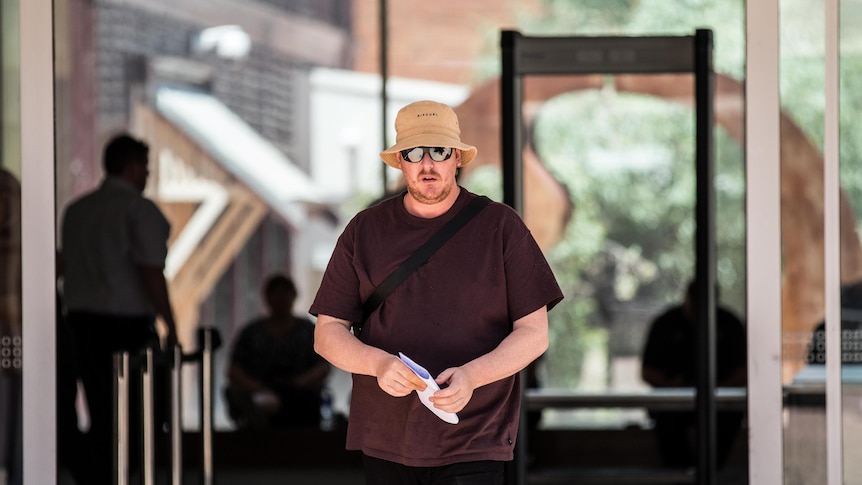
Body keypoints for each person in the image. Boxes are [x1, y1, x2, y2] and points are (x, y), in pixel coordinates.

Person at [310, 99, 564, 485]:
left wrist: (472, 377)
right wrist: (377, 365)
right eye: (414, 153)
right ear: (400, 162)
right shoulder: (364, 230)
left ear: (457, 158)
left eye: (439, 151)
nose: (427, 164)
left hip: (475, 432)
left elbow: (534, 333)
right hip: (386, 434)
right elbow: (327, 333)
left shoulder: (502, 227)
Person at [60, 133, 178, 485]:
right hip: (125, 328)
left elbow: (65, 263)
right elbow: (150, 271)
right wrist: (171, 325)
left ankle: (100, 477)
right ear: (132, 167)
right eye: (146, 167)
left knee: (100, 413)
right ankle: (124, 478)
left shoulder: (76, 210)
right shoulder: (138, 210)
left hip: (79, 324)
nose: (148, 175)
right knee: (139, 418)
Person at [640, 280, 747, 469]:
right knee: (666, 420)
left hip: (720, 402)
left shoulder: (729, 323)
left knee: (731, 417)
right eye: (696, 305)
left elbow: (747, 371)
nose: (699, 312)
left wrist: (719, 386)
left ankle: (712, 472)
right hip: (673, 401)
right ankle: (681, 474)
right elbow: (647, 372)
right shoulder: (666, 322)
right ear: (687, 299)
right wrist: (671, 386)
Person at [225, 273, 330, 429]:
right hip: (259, 391)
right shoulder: (252, 332)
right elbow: (234, 370)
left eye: (284, 294)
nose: (281, 299)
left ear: (293, 296)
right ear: (267, 297)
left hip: (300, 393)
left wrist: (299, 382)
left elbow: (323, 366)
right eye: (276, 294)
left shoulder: (307, 330)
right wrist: (256, 387)